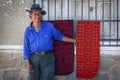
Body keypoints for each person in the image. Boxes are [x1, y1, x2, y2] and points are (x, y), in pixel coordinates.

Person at [23, 4, 76, 80]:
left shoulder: (49, 26)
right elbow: (26, 48)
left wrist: (74, 41)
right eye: (35, 14)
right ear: (30, 16)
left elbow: (60, 36)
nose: (37, 16)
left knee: (48, 78)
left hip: (48, 57)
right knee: (33, 78)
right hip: (34, 58)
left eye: (39, 14)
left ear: (41, 16)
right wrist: (28, 63)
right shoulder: (27, 31)